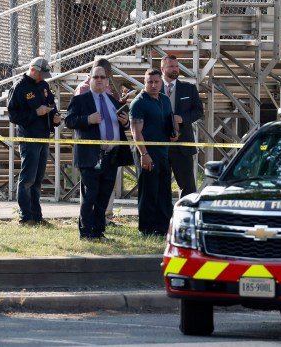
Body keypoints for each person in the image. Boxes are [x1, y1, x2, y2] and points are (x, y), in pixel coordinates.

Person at [66, 65, 133, 240]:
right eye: (96, 77)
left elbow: (122, 125)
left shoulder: (113, 101)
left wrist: (125, 123)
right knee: (90, 195)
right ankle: (86, 232)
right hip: (91, 156)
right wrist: (87, 119)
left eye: (102, 77)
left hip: (112, 156)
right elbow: (69, 121)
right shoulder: (80, 100)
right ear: (90, 79)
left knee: (104, 196)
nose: (99, 80)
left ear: (107, 81)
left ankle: (98, 232)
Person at [7, 56, 61, 226]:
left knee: (37, 179)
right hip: (29, 137)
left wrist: (55, 117)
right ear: (32, 70)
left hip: (44, 136)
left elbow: (51, 104)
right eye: (41, 74)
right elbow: (13, 115)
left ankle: (36, 216)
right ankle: (25, 217)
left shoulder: (44, 85)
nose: (43, 78)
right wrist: (35, 113)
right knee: (27, 179)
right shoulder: (19, 87)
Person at [129, 68, 179, 236]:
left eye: (156, 82)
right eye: (150, 82)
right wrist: (144, 154)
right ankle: (147, 229)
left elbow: (171, 121)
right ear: (144, 82)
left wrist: (175, 133)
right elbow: (136, 132)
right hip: (147, 152)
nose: (153, 85)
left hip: (164, 151)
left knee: (164, 191)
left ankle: (164, 228)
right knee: (148, 191)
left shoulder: (165, 99)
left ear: (161, 82)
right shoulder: (139, 102)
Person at [160, 55, 204, 199]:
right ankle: (163, 213)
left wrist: (182, 118)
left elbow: (199, 111)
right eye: (171, 66)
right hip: (160, 144)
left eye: (177, 66)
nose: (175, 69)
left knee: (187, 186)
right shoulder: (154, 87)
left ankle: (186, 211)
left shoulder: (188, 88)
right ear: (162, 69)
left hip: (183, 144)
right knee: (160, 185)